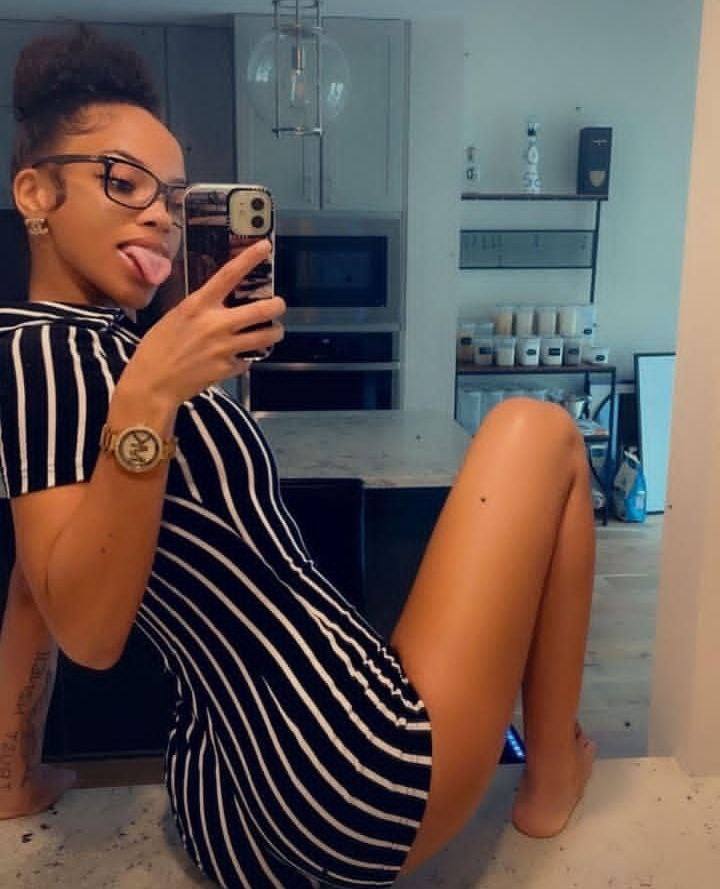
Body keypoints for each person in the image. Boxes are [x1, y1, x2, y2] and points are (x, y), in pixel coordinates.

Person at [0, 24, 597, 889]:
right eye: (122, 182)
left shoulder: (82, 348)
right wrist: (151, 395)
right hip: (345, 781)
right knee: (538, 430)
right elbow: (88, 634)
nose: (161, 216)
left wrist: (12, 777)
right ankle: (549, 780)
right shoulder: (57, 354)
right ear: (35, 191)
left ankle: (537, 764)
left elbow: (36, 580)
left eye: (175, 195)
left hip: (229, 800)